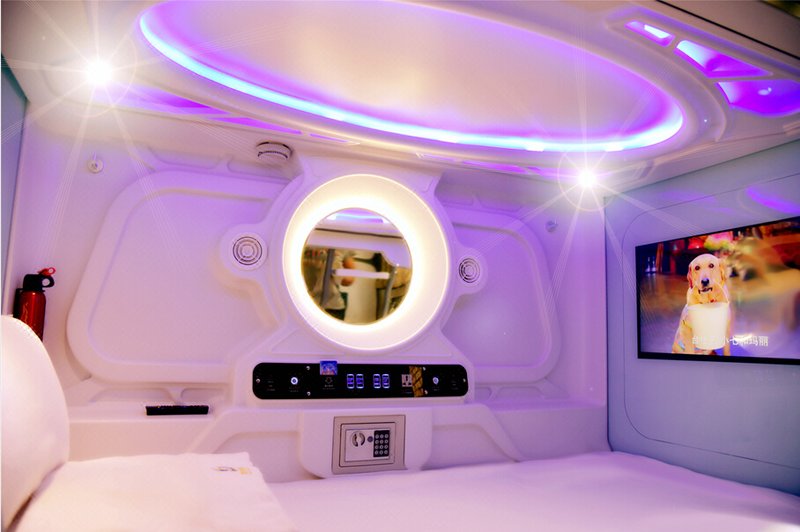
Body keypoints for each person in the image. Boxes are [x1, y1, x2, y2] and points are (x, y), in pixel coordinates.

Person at [304, 248, 355, 320]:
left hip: (333, 308)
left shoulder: (344, 244)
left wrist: (334, 266)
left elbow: (349, 280)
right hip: (303, 302)